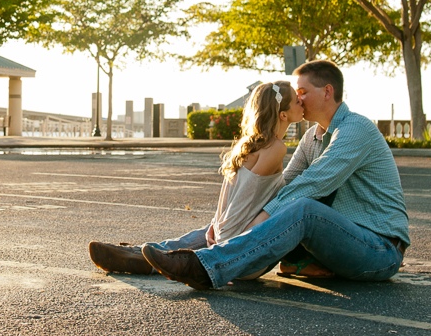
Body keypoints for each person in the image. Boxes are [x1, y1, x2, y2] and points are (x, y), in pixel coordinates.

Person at [140, 60, 410, 290]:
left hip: (379, 250)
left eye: (302, 91)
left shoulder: (356, 129)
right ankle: (144, 258)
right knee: (253, 218)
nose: (298, 98)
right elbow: (284, 188)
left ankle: (206, 267)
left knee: (304, 209)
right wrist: (225, 222)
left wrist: (259, 221)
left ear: (328, 91)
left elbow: (314, 182)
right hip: (340, 242)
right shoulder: (311, 137)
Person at [88, 80, 305, 276]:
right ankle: (147, 257)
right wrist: (224, 252)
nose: (301, 103)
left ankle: (142, 255)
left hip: (227, 236)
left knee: (200, 235)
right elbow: (243, 202)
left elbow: (235, 199)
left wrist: (216, 227)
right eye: (297, 100)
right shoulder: (276, 148)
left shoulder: (247, 145)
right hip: (241, 253)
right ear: (283, 115)